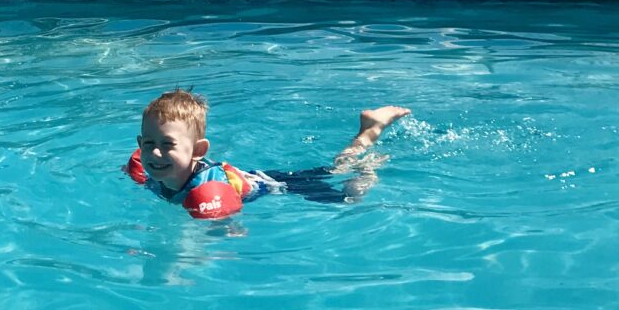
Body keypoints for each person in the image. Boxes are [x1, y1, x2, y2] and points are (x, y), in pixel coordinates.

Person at [126, 88, 410, 219]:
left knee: (348, 195)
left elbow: (228, 231)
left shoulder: (208, 191)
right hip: (258, 176)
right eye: (149, 143)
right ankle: (368, 131)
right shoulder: (152, 172)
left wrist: (226, 230)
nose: (156, 154)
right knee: (334, 169)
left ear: (198, 151)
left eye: (168, 144)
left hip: (280, 187)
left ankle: (369, 142)